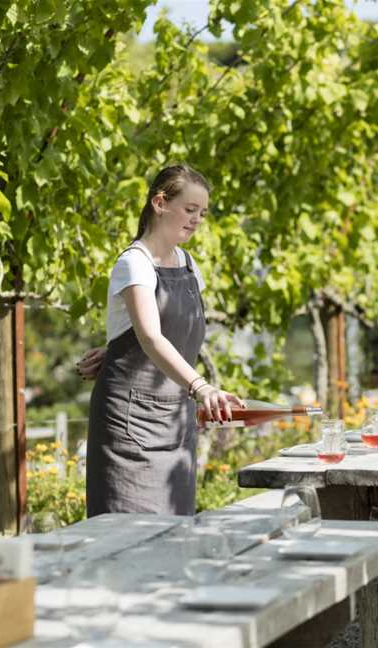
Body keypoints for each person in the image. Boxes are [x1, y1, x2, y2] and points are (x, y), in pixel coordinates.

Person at [76, 164, 245, 517]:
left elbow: (177, 330)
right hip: (129, 428)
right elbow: (151, 336)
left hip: (175, 423)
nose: (197, 219)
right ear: (160, 203)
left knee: (174, 537)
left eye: (202, 212)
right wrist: (202, 387)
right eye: (189, 209)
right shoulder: (133, 263)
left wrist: (116, 349)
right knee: (129, 537)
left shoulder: (188, 264)